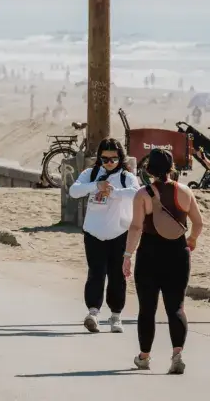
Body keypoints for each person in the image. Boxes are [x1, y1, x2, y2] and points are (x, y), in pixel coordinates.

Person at [124, 148, 203, 373]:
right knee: (176, 307)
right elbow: (198, 223)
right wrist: (191, 241)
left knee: (147, 308)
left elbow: (137, 227)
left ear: (149, 170)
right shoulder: (185, 191)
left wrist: (127, 256)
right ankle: (177, 355)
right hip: (178, 252)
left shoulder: (142, 194)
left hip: (149, 253)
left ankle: (144, 357)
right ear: (171, 169)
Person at [68, 138, 140, 334]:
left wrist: (115, 192)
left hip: (119, 233)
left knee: (117, 276)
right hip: (93, 232)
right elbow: (74, 191)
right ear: (99, 158)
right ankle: (93, 313)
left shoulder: (126, 177)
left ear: (120, 158)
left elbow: (137, 193)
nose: (109, 163)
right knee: (95, 273)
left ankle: (116, 316)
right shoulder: (90, 174)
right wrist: (95, 186)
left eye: (113, 159)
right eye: (105, 159)